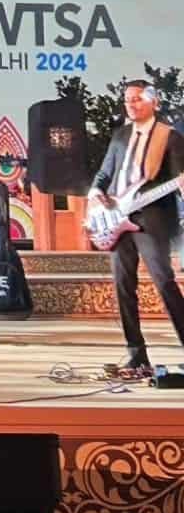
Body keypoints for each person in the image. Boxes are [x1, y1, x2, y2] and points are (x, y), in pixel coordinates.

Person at [89, 78, 184, 380]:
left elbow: (179, 179)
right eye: (127, 99)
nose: (130, 104)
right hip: (116, 218)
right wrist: (97, 194)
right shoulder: (120, 135)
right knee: (122, 285)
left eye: (137, 99)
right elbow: (104, 174)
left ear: (153, 101)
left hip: (151, 220)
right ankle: (136, 354)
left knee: (164, 282)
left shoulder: (169, 137)